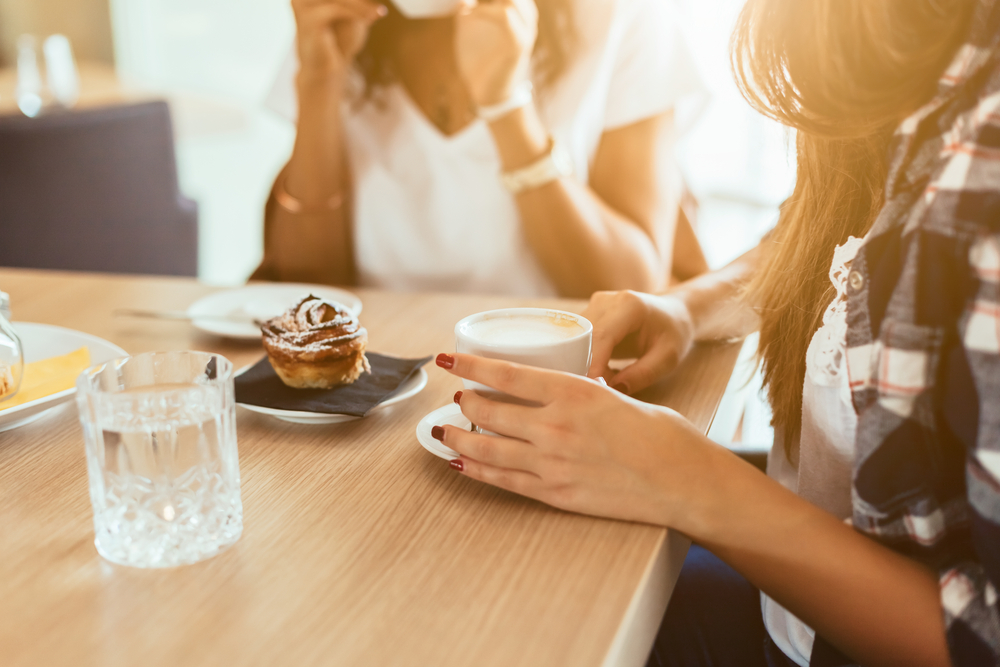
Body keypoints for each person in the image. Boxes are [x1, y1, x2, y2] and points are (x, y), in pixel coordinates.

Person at [427, 0, 1000, 664]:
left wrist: (688, 478)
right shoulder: (920, 84)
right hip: (787, 615)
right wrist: (690, 306)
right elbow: (838, 235)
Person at [254, 0, 705, 297]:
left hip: (559, 386)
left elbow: (631, 292)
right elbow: (306, 289)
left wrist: (505, 105)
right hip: (376, 386)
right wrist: (318, 82)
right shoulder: (345, 21)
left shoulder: (623, 19)